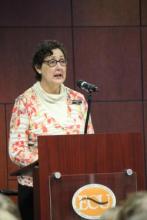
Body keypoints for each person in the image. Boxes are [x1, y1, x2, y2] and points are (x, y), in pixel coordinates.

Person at [8, 39, 94, 220]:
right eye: (52, 62)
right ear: (38, 68)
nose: (59, 67)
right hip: (36, 188)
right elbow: (16, 150)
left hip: (74, 184)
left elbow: (90, 141)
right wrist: (50, 162)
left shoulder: (78, 99)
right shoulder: (25, 101)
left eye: (62, 61)